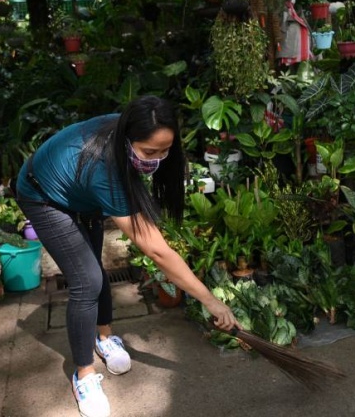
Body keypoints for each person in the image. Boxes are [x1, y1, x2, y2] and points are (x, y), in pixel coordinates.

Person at [15, 95, 240, 417]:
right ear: (128, 139)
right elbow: (156, 250)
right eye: (150, 152)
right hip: (43, 195)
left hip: (78, 189)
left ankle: (104, 338)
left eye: (166, 151)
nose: (158, 159)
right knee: (86, 281)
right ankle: (84, 375)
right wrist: (210, 300)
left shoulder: (127, 134)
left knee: (95, 269)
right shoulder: (103, 169)